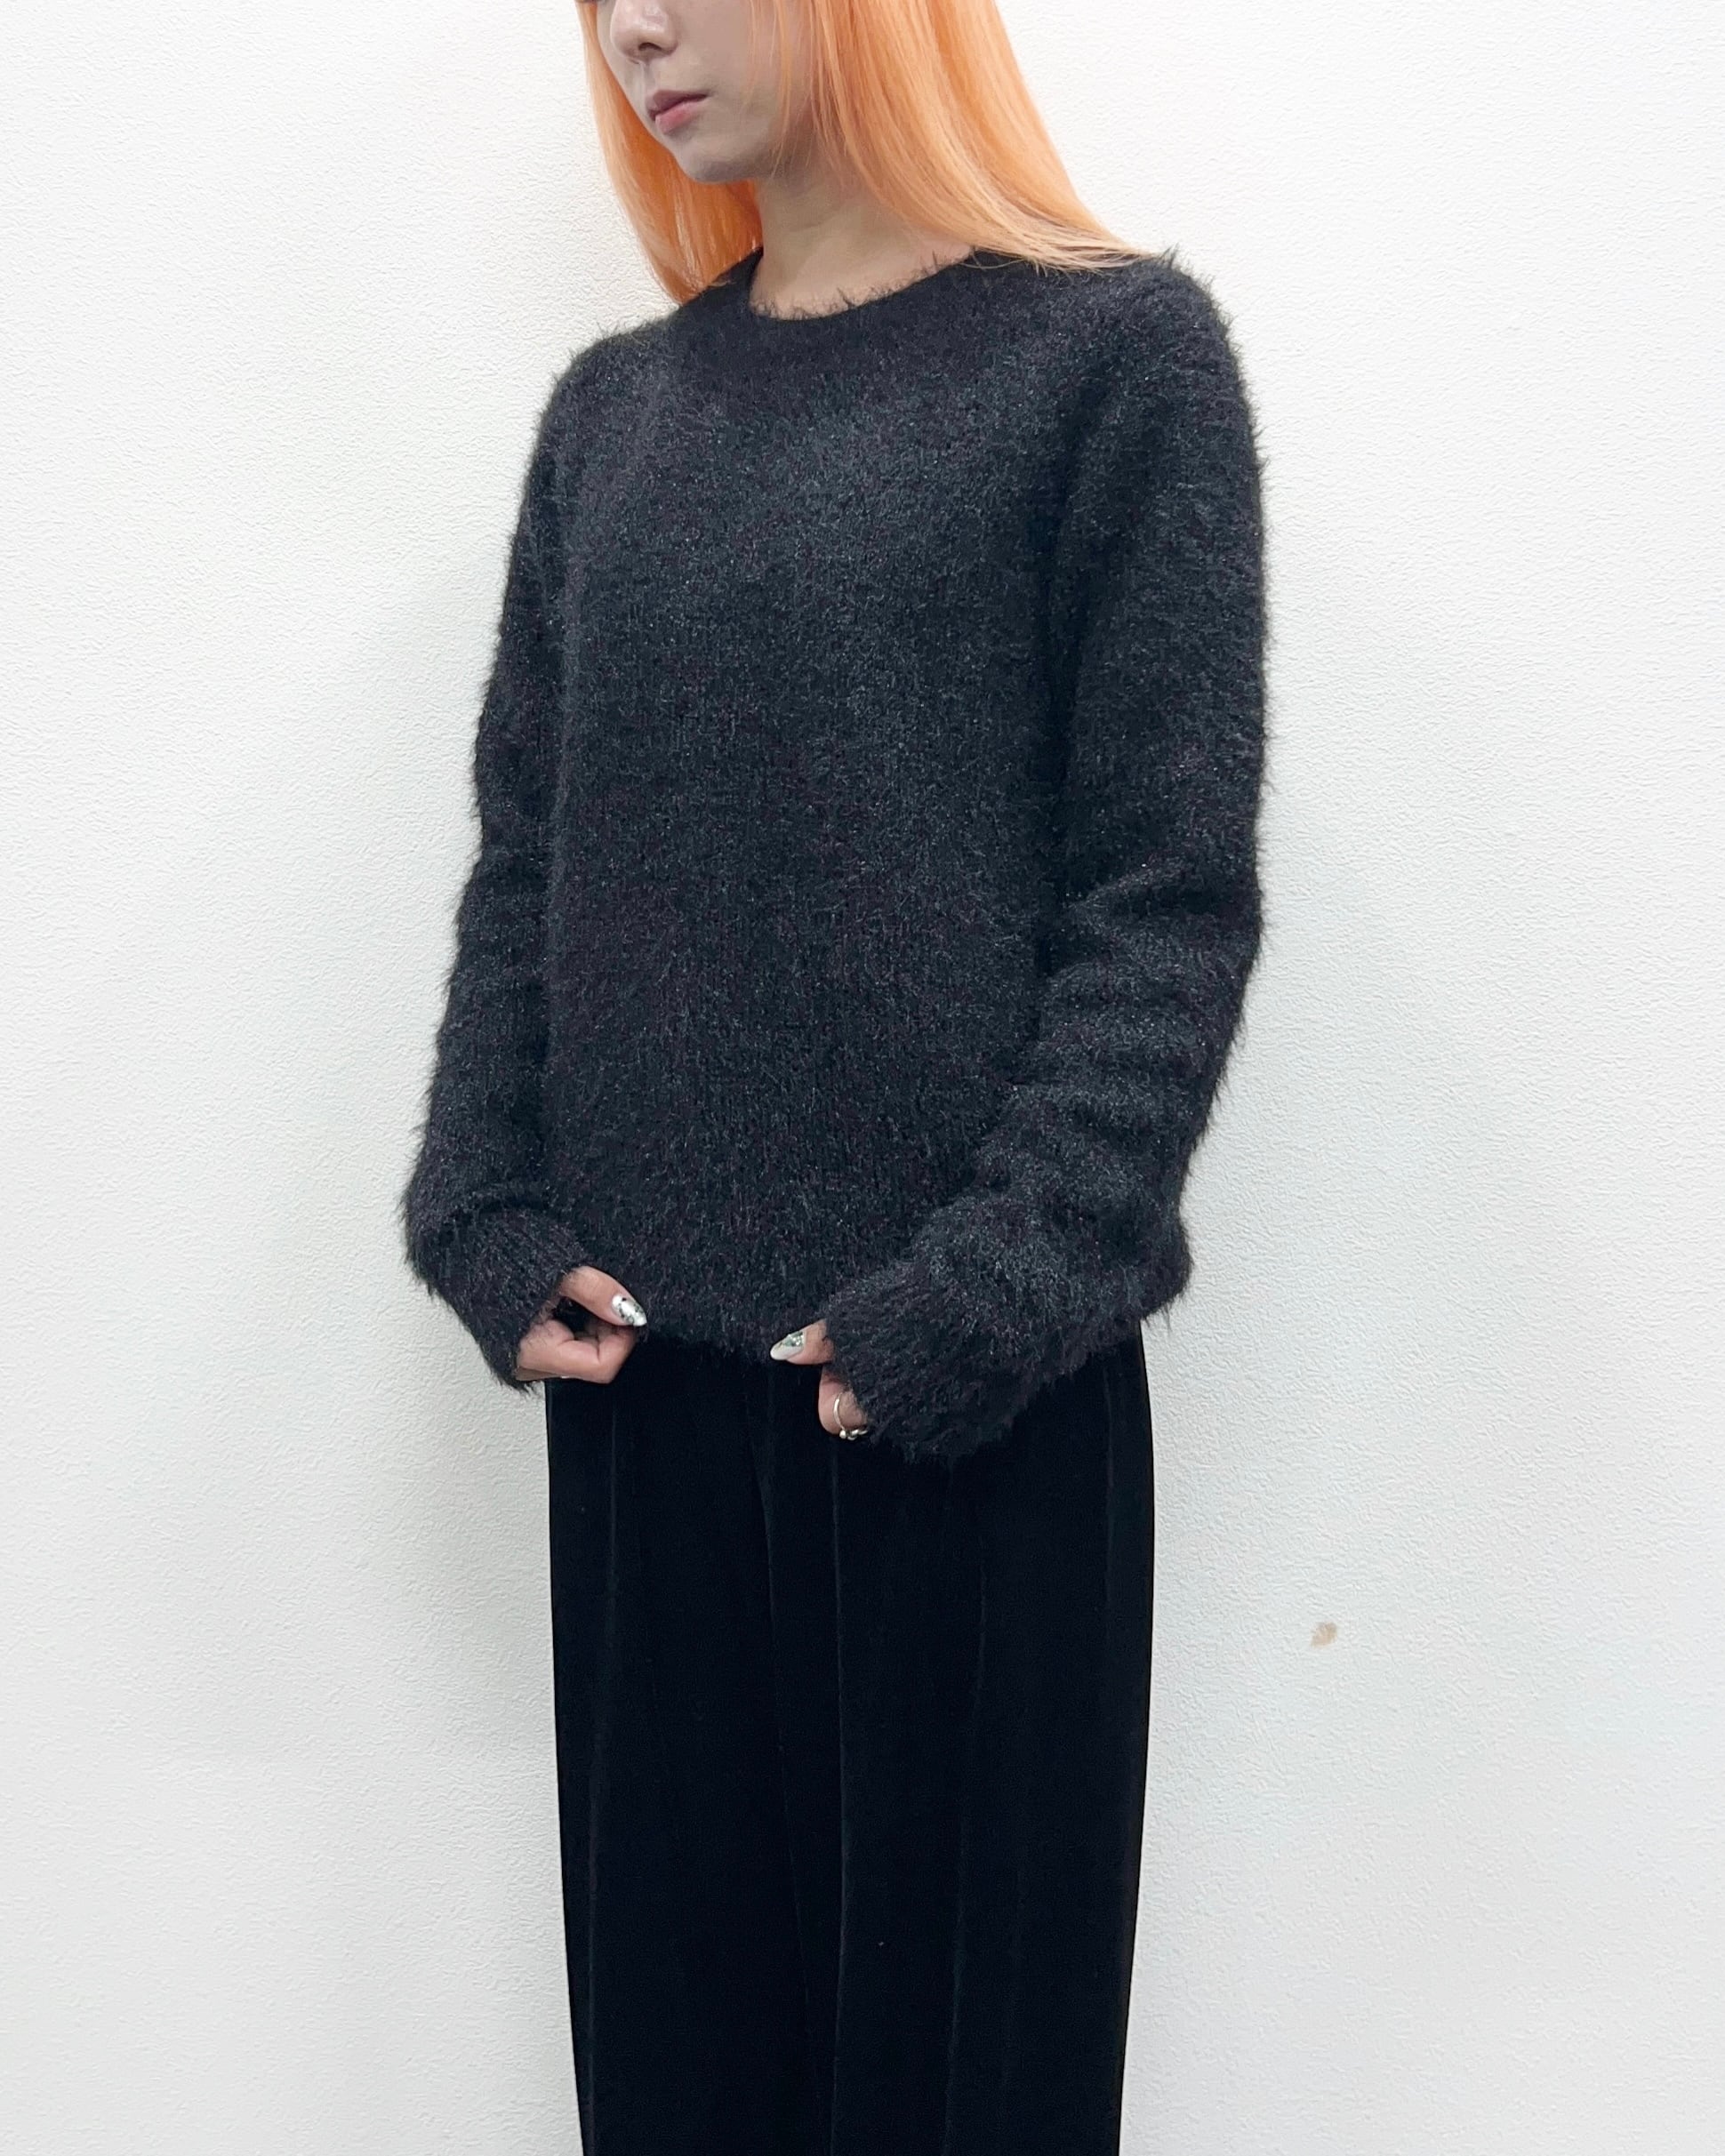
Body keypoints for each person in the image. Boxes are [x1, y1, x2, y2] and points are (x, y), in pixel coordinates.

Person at [398, 0, 1266, 2147]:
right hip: (645, 1399)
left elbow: (1161, 891)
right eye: (603, 0)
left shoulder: (1112, 362)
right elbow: (530, 852)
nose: (639, 32)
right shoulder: (617, 416)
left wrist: (985, 1298)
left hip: (966, 1405)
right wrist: (481, 1199)